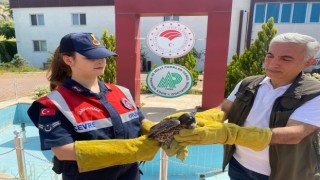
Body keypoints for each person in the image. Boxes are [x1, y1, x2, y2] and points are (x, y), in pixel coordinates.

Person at [171, 33, 320, 180]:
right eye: (270, 55)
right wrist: (202, 118)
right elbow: (224, 108)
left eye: (286, 58)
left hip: (282, 174)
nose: (273, 63)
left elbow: (295, 134)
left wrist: (230, 134)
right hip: (238, 166)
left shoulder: (314, 93)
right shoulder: (249, 83)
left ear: (308, 63)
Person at [27, 32, 165, 180]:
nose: (100, 61)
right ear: (68, 60)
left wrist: (167, 130)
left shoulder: (121, 92)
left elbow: (139, 120)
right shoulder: (55, 103)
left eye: (102, 55)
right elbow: (63, 151)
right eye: (91, 57)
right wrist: (133, 149)